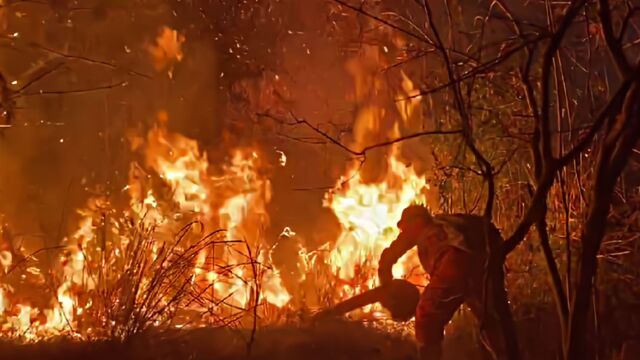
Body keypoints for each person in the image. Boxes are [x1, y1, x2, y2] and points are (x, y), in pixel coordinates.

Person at [378, 204, 506, 359]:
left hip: (454, 263)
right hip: (485, 264)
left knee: (426, 317)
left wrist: (385, 283)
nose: (403, 232)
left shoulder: (424, 230)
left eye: (404, 227)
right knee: (491, 320)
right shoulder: (450, 223)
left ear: (416, 220)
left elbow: (392, 254)